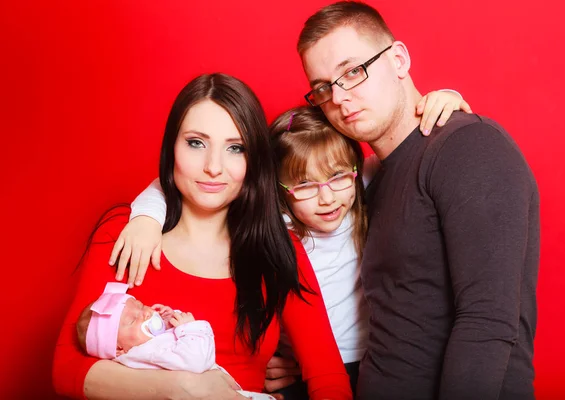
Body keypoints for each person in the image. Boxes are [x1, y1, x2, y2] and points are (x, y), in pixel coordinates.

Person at [116, 90, 470, 400]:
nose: (326, 198)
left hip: (375, 358)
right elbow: (179, 183)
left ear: (353, 169)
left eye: (336, 178)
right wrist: (146, 218)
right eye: (304, 186)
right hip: (298, 367)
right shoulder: (276, 224)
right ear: (277, 190)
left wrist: (446, 101)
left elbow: (410, 152)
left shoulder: (359, 181)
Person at [52, 73, 353, 400]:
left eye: (235, 148)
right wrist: (181, 389)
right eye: (196, 142)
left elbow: (329, 378)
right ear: (172, 146)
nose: (213, 167)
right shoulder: (124, 233)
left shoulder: (278, 249)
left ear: (253, 161)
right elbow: (66, 367)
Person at [295, 2, 540, 400]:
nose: (339, 98)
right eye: (323, 87)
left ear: (398, 60)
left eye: (353, 72)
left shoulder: (468, 146)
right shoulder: (367, 179)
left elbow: (488, 321)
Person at [77, 282, 275, 399]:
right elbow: (195, 362)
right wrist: (189, 327)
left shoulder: (143, 349)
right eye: (132, 320)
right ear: (118, 349)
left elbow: (173, 351)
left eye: (140, 305)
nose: (145, 314)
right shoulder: (148, 352)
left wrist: (169, 320)